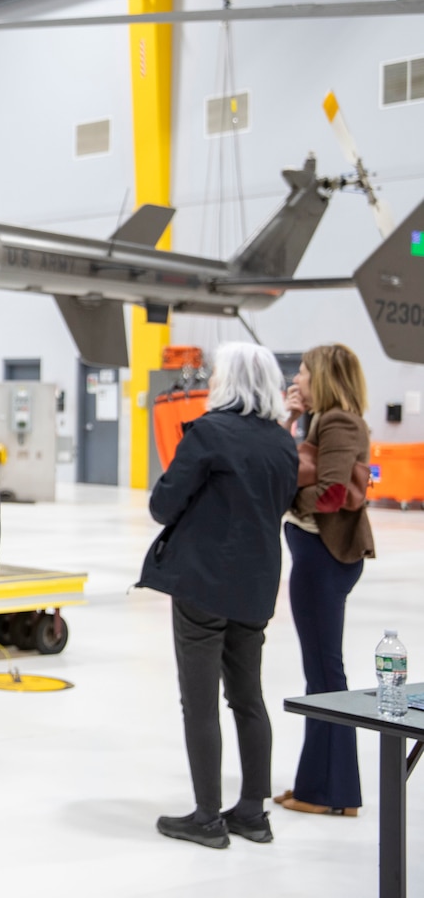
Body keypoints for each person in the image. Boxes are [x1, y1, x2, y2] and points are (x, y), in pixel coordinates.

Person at [136, 342, 299, 849]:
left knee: (201, 702)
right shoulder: (282, 441)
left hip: (203, 584)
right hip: (256, 587)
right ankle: (253, 813)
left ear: (225, 381)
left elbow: (164, 505)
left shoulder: (209, 431)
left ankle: (207, 817)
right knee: (248, 698)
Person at [276, 343, 375, 817]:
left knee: (326, 675)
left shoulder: (338, 422)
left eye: (303, 371)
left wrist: (292, 506)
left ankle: (330, 793)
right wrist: (291, 421)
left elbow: (333, 493)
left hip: (322, 557)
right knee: (322, 674)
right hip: (320, 557)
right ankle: (319, 785)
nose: (298, 378)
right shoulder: (327, 420)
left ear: (325, 377)